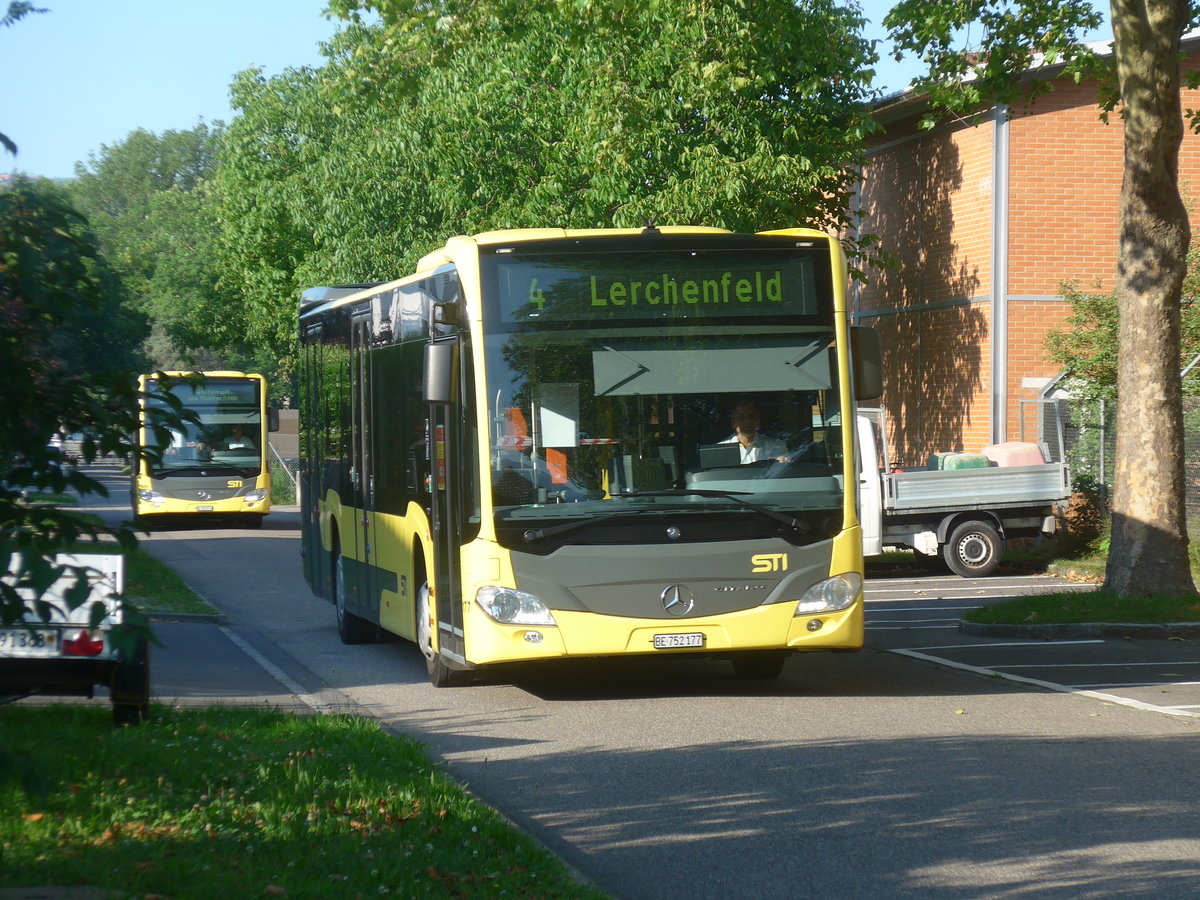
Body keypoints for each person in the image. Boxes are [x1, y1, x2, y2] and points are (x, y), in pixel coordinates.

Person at [721, 399, 789, 464]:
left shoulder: (775, 446)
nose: (748, 420)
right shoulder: (721, 449)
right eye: (742, 417)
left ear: (758, 421)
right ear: (733, 423)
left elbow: (782, 471)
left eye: (752, 416)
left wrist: (783, 463)